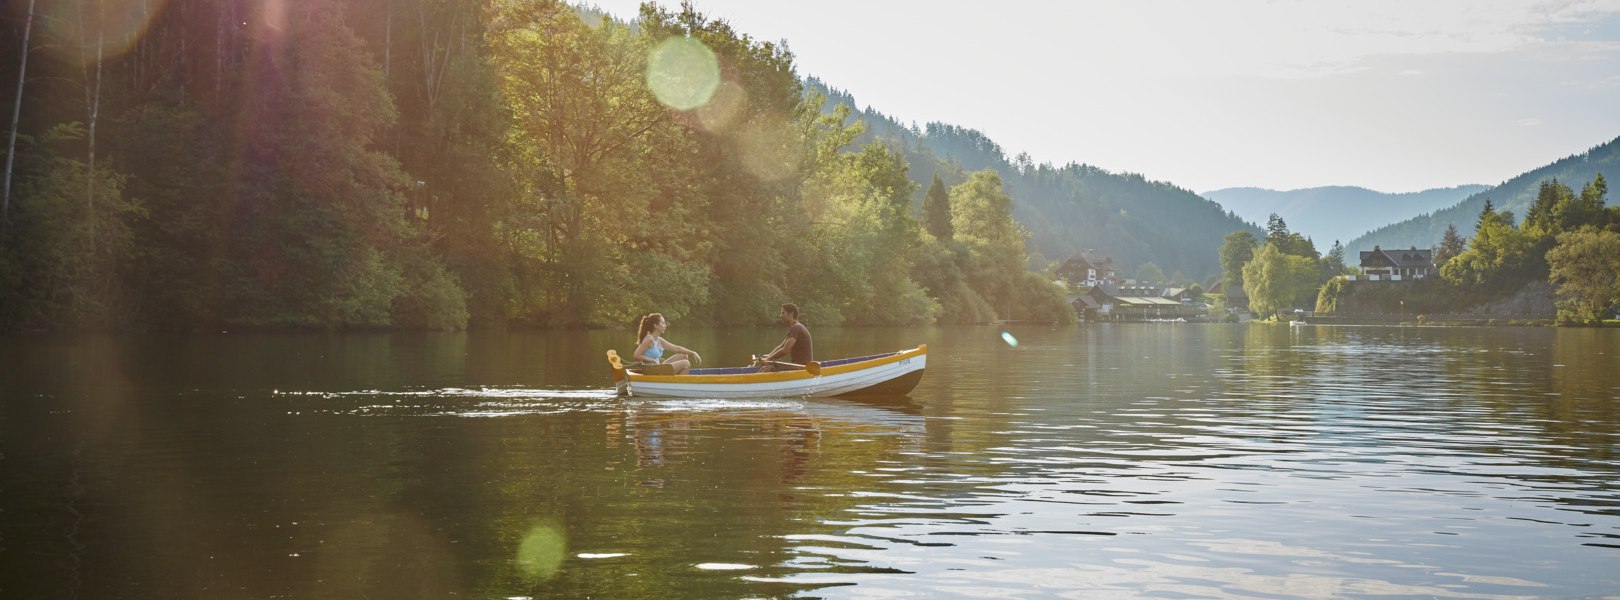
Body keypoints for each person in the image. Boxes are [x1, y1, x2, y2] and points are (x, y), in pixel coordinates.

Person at [633, 313, 701, 375]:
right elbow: (636, 355)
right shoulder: (649, 339)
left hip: (658, 367)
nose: (665, 325)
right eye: (663, 323)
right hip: (651, 370)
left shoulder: (659, 340)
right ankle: (679, 385)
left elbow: (676, 348)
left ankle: (674, 381)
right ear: (655, 325)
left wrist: (693, 353)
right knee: (686, 363)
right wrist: (652, 360)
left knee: (683, 355)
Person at [756, 303, 813, 372]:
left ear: (791, 314)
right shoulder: (794, 328)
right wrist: (768, 356)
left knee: (766, 369)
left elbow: (785, 350)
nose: (780, 316)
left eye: (783, 313)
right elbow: (781, 346)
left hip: (802, 367)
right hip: (796, 365)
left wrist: (768, 359)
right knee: (766, 365)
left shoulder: (796, 328)